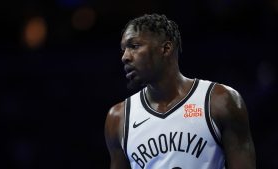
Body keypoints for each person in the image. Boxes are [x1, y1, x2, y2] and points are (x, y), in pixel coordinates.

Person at [104, 13, 256, 169]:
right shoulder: (118, 118)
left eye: (134, 46)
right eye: (123, 49)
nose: (125, 57)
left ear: (166, 48)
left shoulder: (219, 101)